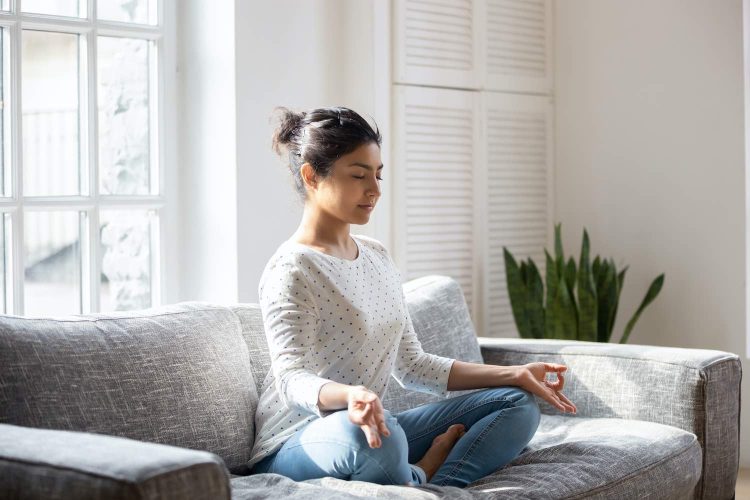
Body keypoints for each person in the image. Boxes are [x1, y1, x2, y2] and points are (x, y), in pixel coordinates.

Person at [248, 106, 577, 488]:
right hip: (296, 443)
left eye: (378, 174)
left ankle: (437, 487)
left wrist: (515, 374)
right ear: (311, 176)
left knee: (516, 403)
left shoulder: (376, 255)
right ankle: (420, 474)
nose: (375, 189)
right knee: (375, 438)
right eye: (358, 175)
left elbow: (413, 365)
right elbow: (291, 379)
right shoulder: (293, 268)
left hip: (375, 426)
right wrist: (350, 396)